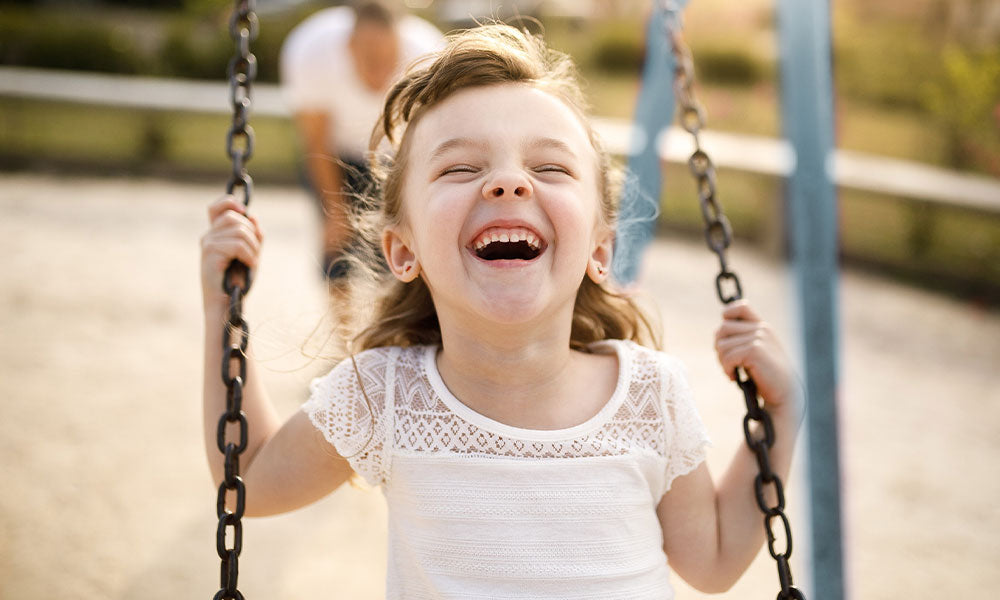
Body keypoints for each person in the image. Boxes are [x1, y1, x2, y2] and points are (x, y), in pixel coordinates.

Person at [202, 24, 803, 598]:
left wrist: (781, 413)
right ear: (403, 251)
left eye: (549, 167)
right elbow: (248, 480)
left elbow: (716, 560)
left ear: (600, 248)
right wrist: (222, 312)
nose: (509, 183)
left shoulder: (648, 392)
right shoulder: (386, 394)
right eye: (461, 167)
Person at [279, 0, 443, 281]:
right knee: (337, 249)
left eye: (385, 59)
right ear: (349, 48)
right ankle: (342, 325)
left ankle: (392, 320)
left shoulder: (427, 56)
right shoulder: (312, 51)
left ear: (399, 45)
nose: (378, 72)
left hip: (398, 156)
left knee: (397, 248)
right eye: (369, 59)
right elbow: (316, 141)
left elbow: (432, 141)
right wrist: (335, 212)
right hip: (335, 153)